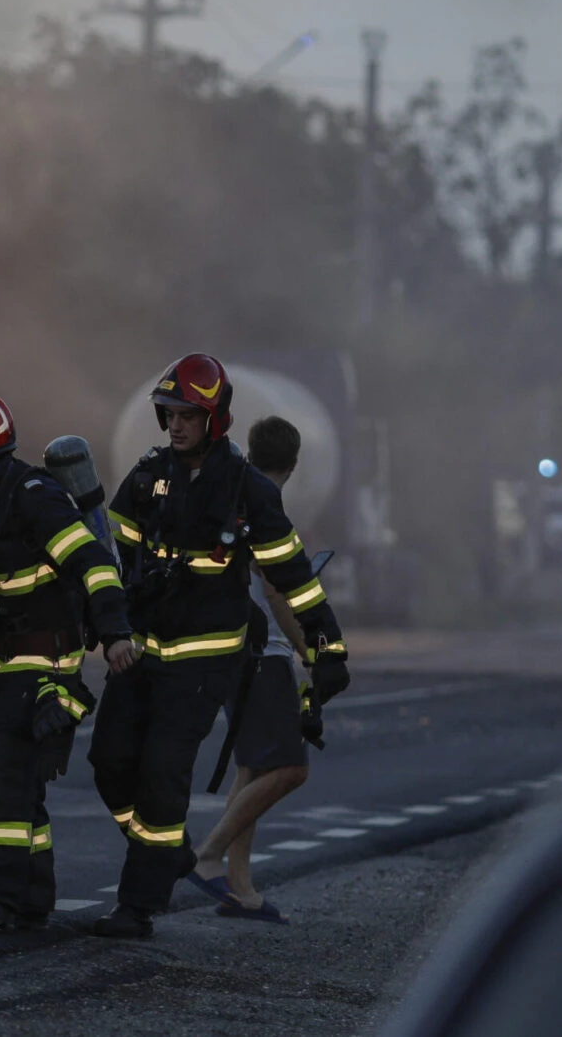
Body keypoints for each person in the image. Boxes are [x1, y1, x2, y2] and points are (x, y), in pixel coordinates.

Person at [91, 355, 348, 940]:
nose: (176, 425)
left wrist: (330, 648)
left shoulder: (249, 491)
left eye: (188, 415)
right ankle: (169, 852)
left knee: (162, 772)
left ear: (216, 418)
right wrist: (108, 629)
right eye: (170, 414)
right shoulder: (147, 475)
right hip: (138, 655)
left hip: (203, 663)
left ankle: (137, 907)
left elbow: (293, 576)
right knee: (109, 763)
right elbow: (107, 558)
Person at [0, 386, 135, 932]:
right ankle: (35, 891)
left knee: (5, 788)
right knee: (23, 785)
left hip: (41, 667)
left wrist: (113, 634)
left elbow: (93, 564)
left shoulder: (34, 496)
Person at [186, 415, 313, 924]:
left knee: (252, 767)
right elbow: (280, 593)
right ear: (294, 463)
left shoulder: (234, 497)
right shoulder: (268, 507)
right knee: (291, 768)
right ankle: (208, 853)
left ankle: (240, 889)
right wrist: (310, 649)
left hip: (230, 648)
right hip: (265, 654)